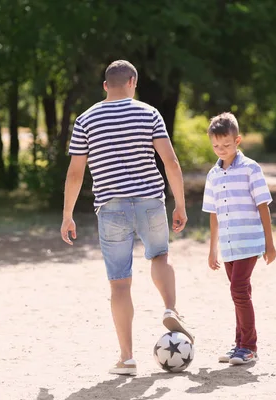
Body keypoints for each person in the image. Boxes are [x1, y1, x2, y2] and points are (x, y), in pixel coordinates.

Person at [60, 60, 194, 376]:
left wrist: (67, 215)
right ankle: (170, 307)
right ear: (132, 82)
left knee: (120, 283)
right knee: (160, 256)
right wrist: (180, 205)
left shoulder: (86, 120)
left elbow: (76, 172)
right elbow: (171, 162)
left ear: (106, 85)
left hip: (111, 207)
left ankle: (127, 358)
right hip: (150, 202)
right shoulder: (149, 114)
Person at [202, 112, 276, 365]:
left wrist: (270, 243)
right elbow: (213, 215)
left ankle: (249, 347)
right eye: (215, 146)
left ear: (238, 141)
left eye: (226, 145)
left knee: (238, 291)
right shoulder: (212, 175)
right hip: (229, 245)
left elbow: (263, 205)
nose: (220, 150)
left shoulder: (250, 168)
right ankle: (239, 345)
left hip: (250, 242)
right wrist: (213, 250)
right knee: (240, 293)